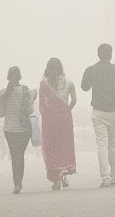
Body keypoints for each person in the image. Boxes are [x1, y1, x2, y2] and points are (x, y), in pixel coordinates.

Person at [80, 43, 115, 187]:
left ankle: (105, 177)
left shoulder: (91, 70)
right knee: (114, 146)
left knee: (102, 144)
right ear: (111, 55)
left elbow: (84, 87)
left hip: (99, 111)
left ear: (98, 54)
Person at [39, 57, 78, 190]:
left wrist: (48, 117)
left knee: (53, 148)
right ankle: (64, 171)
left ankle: (57, 177)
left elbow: (42, 105)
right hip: (65, 118)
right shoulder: (69, 82)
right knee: (65, 145)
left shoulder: (43, 83)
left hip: (51, 120)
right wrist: (66, 110)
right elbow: (74, 100)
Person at [0, 66, 35, 193]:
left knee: (14, 155)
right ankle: (19, 182)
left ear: (8, 76)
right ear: (20, 76)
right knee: (20, 155)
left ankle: (17, 183)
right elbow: (30, 111)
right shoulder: (25, 90)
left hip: (9, 129)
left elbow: (1, 114)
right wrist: (33, 99)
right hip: (24, 130)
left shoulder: (3, 93)